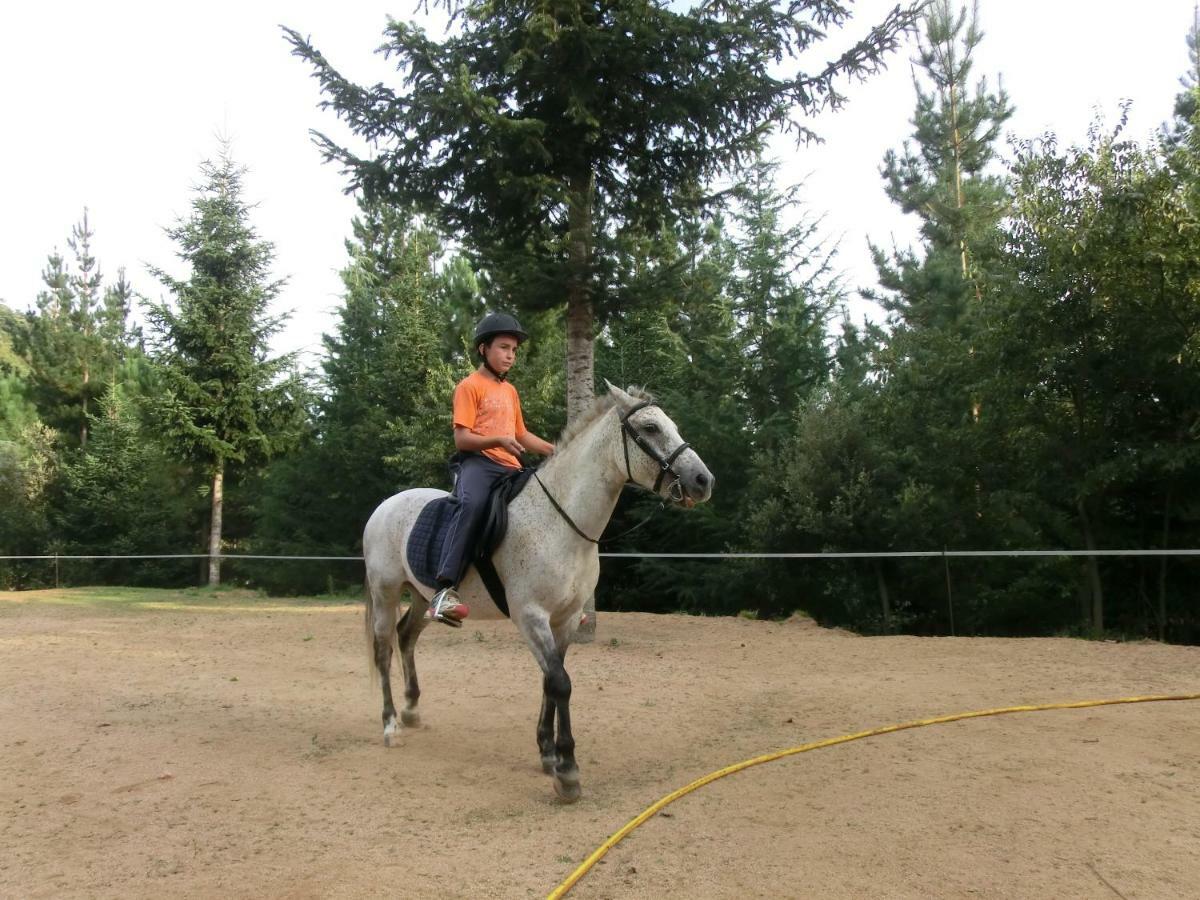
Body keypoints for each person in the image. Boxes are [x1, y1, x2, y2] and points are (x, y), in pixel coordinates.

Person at [428, 312, 555, 626]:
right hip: (479, 465)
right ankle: (444, 590)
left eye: (513, 349)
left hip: (510, 467)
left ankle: (555, 591)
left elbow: (521, 434)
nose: (510, 355)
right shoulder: (469, 387)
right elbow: (462, 438)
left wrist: (554, 449)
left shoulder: (510, 391)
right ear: (483, 349)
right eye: (503, 347)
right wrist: (498, 439)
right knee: (472, 505)